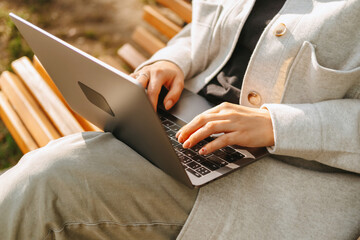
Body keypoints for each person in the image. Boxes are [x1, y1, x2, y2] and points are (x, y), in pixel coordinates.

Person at [0, 0, 359, 239]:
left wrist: (274, 124)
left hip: (281, 183)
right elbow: (204, 32)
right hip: (187, 126)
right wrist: (171, 61)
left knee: (46, 183)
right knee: (46, 175)